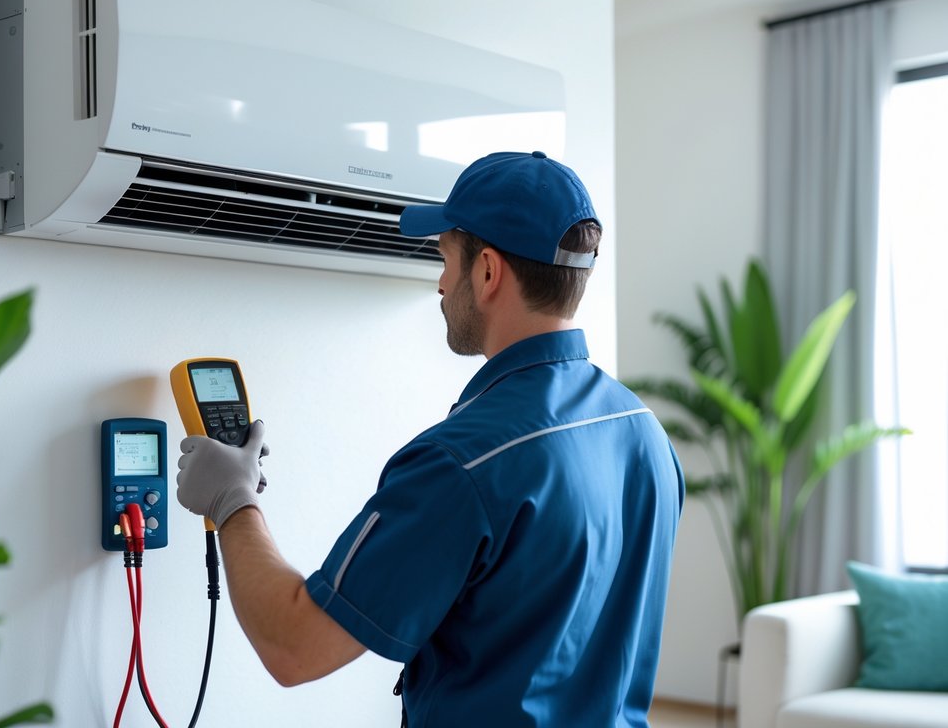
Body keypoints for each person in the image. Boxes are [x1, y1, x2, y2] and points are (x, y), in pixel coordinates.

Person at [175, 150, 685, 726]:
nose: (441, 284)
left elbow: (295, 647)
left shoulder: (461, 463)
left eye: (445, 259)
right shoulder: (644, 433)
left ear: (488, 271)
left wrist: (232, 499)